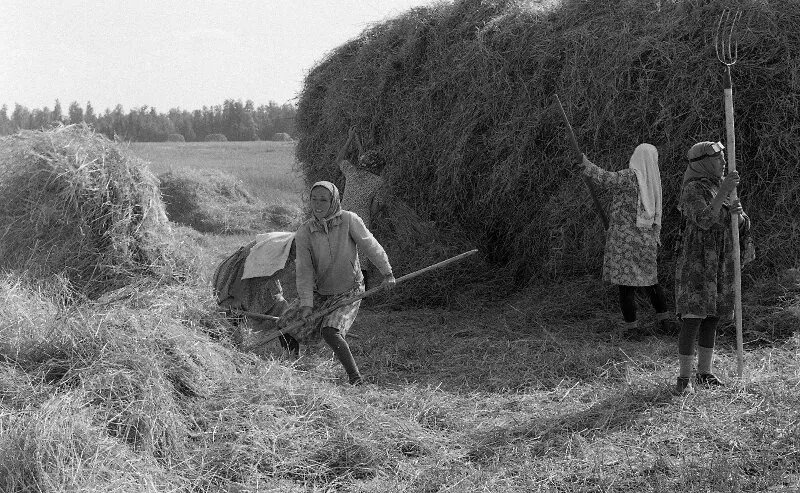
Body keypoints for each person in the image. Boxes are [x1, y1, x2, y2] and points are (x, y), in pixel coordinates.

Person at [292, 180, 396, 385]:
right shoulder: (305, 231)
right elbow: (304, 270)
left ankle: (356, 379)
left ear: (334, 200)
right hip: (321, 291)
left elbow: (371, 246)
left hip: (350, 289)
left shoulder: (349, 220)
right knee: (287, 326)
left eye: (324, 199)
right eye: (314, 199)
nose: (318, 204)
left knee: (330, 331)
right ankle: (292, 371)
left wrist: (387, 273)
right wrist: (306, 304)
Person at [674, 141, 751, 394]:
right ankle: (684, 379)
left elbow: (739, 224)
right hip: (698, 260)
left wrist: (738, 216)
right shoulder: (692, 189)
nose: (724, 163)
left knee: (712, 317)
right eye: (718, 159)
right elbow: (705, 220)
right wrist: (723, 193)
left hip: (720, 259)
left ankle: (704, 373)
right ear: (704, 162)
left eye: (723, 158)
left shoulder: (722, 187)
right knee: (694, 316)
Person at [578, 143, 674, 339]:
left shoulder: (631, 177)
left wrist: (585, 164)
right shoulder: (653, 183)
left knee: (626, 286)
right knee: (651, 283)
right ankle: (664, 320)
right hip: (645, 242)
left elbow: (605, 179)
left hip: (625, 243)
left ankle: (632, 329)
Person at [337, 127, 386, 289]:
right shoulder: (378, 182)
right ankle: (361, 293)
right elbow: (375, 208)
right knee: (362, 256)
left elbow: (340, 159)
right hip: (362, 220)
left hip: (343, 217)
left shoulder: (352, 172)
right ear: (378, 167)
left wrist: (351, 138)